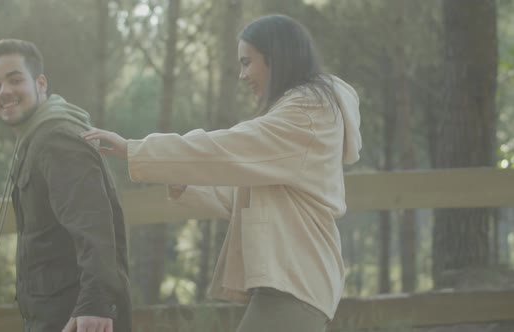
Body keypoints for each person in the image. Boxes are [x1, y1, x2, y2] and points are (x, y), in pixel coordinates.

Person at [83, 15, 361, 332]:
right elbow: (243, 198)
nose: (242, 74)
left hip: (297, 281)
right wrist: (182, 179)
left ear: (276, 57)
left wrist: (138, 150)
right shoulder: (299, 115)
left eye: (247, 62)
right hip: (291, 280)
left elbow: (228, 147)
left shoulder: (307, 113)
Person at [0, 39, 132, 332]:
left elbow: (94, 227)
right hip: (52, 316)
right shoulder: (35, 139)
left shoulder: (57, 140)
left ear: (40, 83)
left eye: (15, 80)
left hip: (78, 318)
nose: (4, 92)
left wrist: (95, 304)